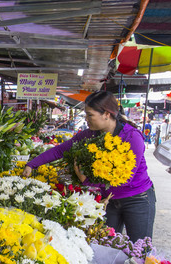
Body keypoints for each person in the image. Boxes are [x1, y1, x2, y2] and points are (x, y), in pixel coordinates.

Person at [23, 91, 155, 242]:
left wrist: (87, 181)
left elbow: (127, 178)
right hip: (109, 199)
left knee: (140, 249)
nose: (86, 119)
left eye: (90, 115)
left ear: (106, 114)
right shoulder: (90, 135)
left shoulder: (131, 137)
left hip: (137, 199)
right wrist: (32, 164)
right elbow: (60, 150)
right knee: (105, 246)